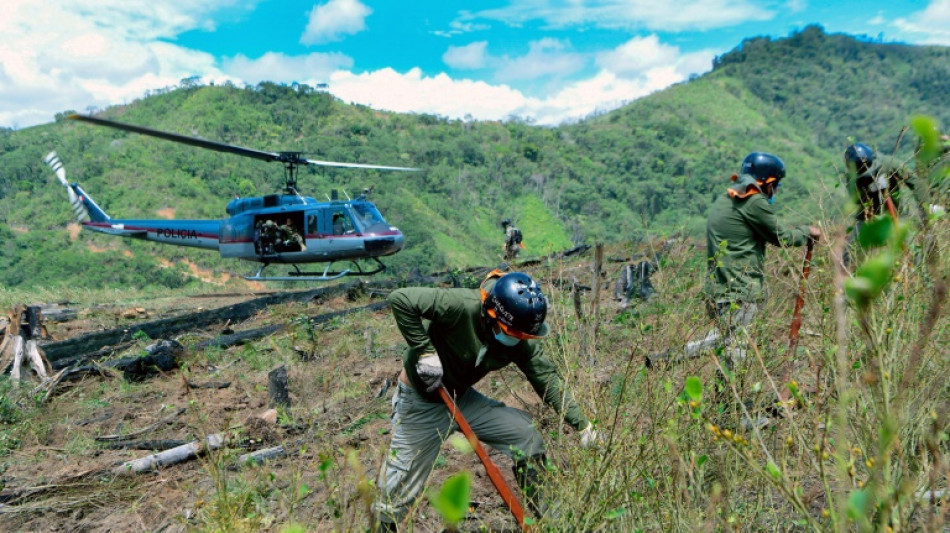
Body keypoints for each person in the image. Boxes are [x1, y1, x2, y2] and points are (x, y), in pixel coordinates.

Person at [374, 271, 597, 531]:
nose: (516, 339)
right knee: (397, 486)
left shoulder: (521, 337)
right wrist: (425, 352)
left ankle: (547, 520)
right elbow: (400, 298)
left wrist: (583, 425)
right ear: (491, 315)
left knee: (525, 433)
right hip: (421, 402)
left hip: (461, 397)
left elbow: (546, 378)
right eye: (510, 332)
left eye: (522, 335)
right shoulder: (460, 306)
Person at [652, 153, 821, 377]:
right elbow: (781, 237)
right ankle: (730, 402)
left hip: (718, 289)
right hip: (740, 290)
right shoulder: (754, 201)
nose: (776, 191)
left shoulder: (727, 198)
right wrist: (807, 232)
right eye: (776, 185)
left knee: (726, 340)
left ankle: (671, 358)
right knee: (737, 353)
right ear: (768, 183)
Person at [842, 143, 931, 266]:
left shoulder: (888, 163)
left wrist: (926, 208)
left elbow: (916, 183)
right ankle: (853, 281)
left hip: (895, 212)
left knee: (912, 248)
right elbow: (856, 200)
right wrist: (868, 189)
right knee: (851, 253)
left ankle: (924, 279)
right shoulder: (852, 178)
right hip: (868, 218)